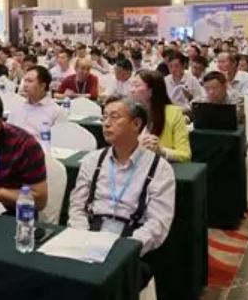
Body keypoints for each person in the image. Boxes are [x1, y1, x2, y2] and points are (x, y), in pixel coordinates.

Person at [68, 96, 175, 262]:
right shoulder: (93, 160)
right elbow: (77, 206)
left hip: (131, 238)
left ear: (136, 124)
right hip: (90, 232)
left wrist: (127, 249)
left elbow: (158, 223)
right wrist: (82, 238)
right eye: (104, 117)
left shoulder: (159, 168)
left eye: (115, 117)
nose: (106, 123)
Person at [130, 70, 191, 162]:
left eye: (137, 86)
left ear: (151, 91)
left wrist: (161, 151)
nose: (131, 90)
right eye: (131, 86)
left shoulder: (173, 113)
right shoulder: (129, 112)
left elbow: (185, 155)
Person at [8, 66, 66, 137]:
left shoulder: (56, 111)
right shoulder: (17, 107)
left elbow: (60, 140)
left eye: (30, 81)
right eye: (25, 81)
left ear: (42, 86)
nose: (25, 85)